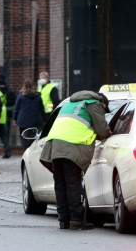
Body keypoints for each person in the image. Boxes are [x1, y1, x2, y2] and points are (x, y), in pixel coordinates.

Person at [40, 90, 112, 231]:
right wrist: (110, 132)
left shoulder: (69, 103)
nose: (103, 111)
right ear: (103, 102)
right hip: (72, 146)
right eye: (105, 109)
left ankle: (64, 220)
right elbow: (102, 131)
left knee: (61, 184)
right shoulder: (94, 103)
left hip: (55, 146)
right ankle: (77, 220)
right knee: (73, 183)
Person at [13, 79, 45, 148]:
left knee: (24, 136)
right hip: (36, 120)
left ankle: (26, 149)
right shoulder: (38, 96)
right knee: (34, 136)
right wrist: (44, 120)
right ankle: (32, 149)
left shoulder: (21, 96)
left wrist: (15, 119)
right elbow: (42, 109)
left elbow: (17, 109)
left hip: (23, 120)